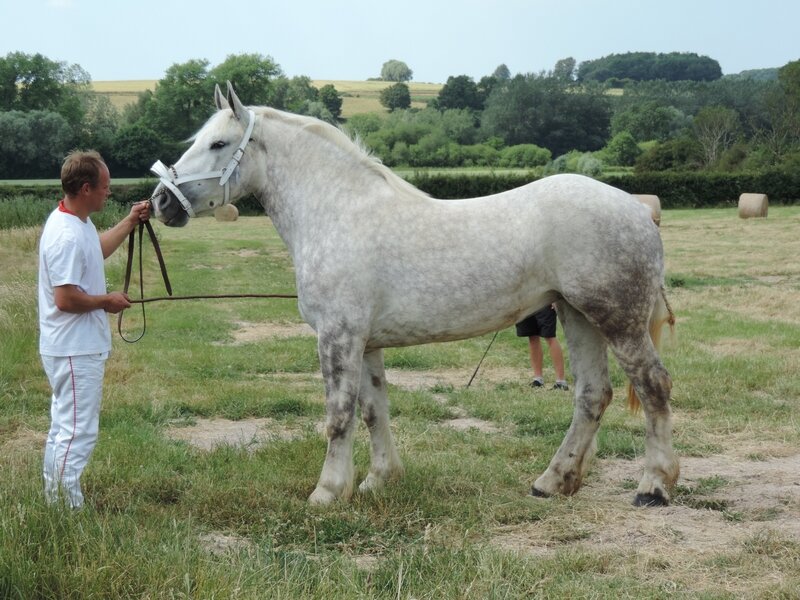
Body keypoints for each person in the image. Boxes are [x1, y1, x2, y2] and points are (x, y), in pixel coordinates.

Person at [38, 150, 150, 509]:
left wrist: (130, 221)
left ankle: (55, 502)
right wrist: (106, 301)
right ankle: (67, 511)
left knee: (63, 429)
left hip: (73, 346)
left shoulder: (78, 223)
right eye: (104, 187)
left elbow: (95, 250)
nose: (109, 192)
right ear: (86, 188)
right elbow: (66, 299)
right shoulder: (65, 235)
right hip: (73, 348)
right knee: (78, 433)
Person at [515, 305, 569, 390]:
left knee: (549, 337)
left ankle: (561, 382)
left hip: (545, 302)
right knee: (532, 336)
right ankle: (538, 379)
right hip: (526, 302)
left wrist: (555, 300)